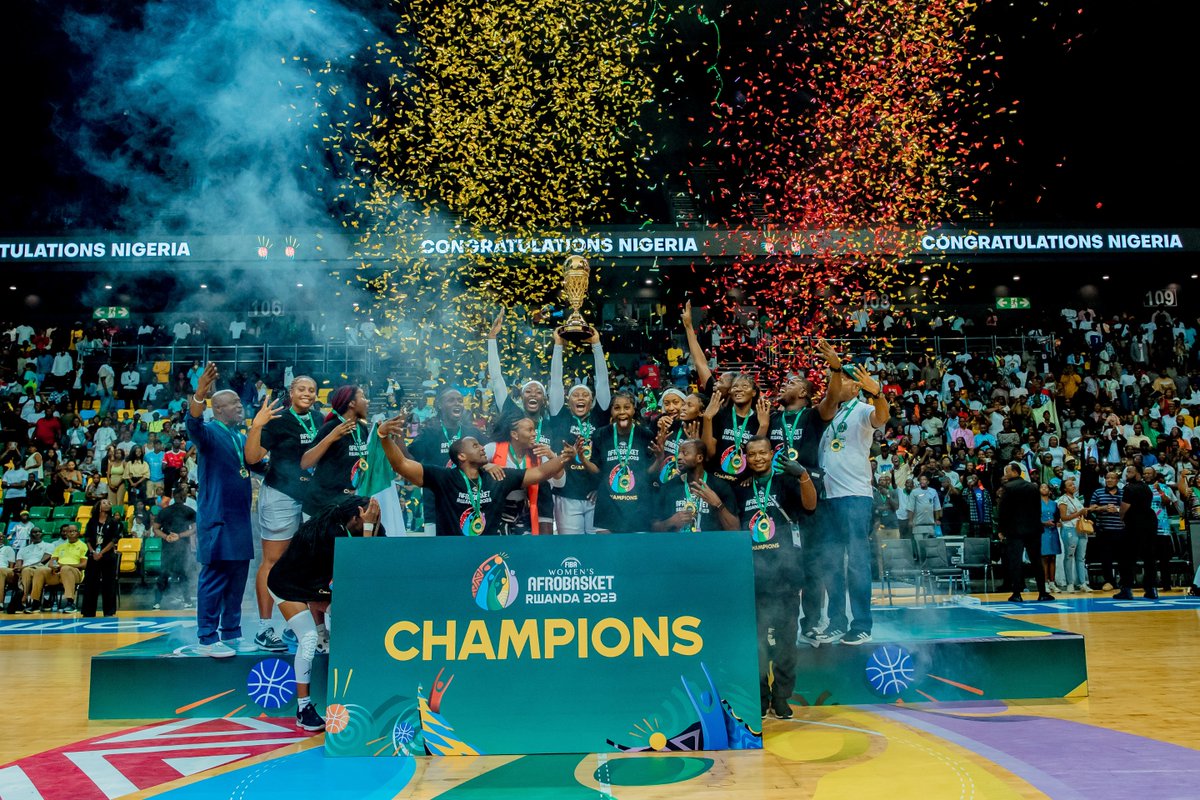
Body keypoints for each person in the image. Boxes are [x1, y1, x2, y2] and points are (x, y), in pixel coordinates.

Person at [268, 495, 381, 732]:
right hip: (287, 586)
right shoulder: (330, 534)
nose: (375, 520)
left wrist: (373, 525)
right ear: (356, 517)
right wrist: (369, 527)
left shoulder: (361, 528)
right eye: (370, 517)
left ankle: (363, 692)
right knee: (308, 638)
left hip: (314, 585)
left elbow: (376, 558)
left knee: (354, 619)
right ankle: (303, 709)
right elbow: (360, 568)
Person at [375, 417, 574, 536]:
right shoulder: (443, 478)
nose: (482, 448)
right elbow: (401, 464)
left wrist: (565, 456)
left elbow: (539, 472)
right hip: (454, 554)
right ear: (461, 456)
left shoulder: (498, 476)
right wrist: (383, 437)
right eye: (475, 445)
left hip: (488, 555)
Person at [735, 436, 817, 717]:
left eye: (762, 453)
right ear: (746, 458)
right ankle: (760, 697)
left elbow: (810, 506)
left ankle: (781, 697)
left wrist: (803, 475)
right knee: (756, 645)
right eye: (752, 454)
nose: (758, 458)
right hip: (754, 578)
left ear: (772, 453)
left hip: (786, 577)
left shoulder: (785, 482)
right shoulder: (741, 488)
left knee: (785, 645)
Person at [244, 375, 321, 651]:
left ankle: (295, 626)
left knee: (304, 562)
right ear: (291, 392)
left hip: (311, 499)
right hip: (281, 494)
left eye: (312, 390)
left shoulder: (320, 419)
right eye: (301, 389)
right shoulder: (277, 419)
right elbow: (252, 458)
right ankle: (264, 628)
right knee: (273, 560)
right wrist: (257, 426)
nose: (307, 393)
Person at [815, 360, 889, 645]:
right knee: (830, 563)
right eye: (829, 379)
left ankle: (862, 625)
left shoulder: (862, 410)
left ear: (856, 385)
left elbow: (881, 417)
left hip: (854, 496)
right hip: (826, 497)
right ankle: (836, 622)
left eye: (840, 380)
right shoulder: (826, 411)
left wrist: (877, 393)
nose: (832, 384)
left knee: (857, 562)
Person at [186, 363, 256, 658]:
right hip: (217, 518)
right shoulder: (209, 433)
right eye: (234, 403)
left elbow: (259, 465)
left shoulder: (241, 437)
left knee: (238, 579)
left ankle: (231, 633)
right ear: (218, 409)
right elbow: (193, 425)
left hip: (240, 520)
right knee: (214, 578)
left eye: (240, 402)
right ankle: (206, 638)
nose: (240, 406)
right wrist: (199, 394)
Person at [407, 388, 487, 535]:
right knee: (438, 548)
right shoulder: (430, 432)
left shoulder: (472, 433)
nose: (457, 403)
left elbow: (489, 455)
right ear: (439, 405)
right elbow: (410, 458)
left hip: (468, 506)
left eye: (460, 400)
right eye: (451, 400)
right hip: (436, 507)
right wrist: (398, 438)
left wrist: (490, 465)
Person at [581, 392, 658, 533]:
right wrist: (583, 459)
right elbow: (597, 470)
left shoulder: (645, 435)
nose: (622, 412)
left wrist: (660, 457)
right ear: (611, 411)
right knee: (606, 547)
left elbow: (649, 472)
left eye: (627, 407)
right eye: (617, 408)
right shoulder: (600, 434)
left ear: (634, 409)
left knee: (636, 547)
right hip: (608, 507)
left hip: (638, 508)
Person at [300, 385, 370, 520]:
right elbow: (305, 463)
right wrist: (332, 436)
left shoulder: (362, 428)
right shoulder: (331, 427)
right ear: (351, 403)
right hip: (321, 505)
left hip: (345, 503)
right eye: (363, 397)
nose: (367, 401)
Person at [653, 438, 739, 533]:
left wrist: (718, 504)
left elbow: (735, 529)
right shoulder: (669, 487)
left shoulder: (720, 486)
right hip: (678, 542)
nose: (679, 457)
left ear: (699, 458)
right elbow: (653, 529)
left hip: (711, 542)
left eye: (685, 453)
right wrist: (671, 522)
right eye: (679, 453)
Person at [996, 462, 1052, 602]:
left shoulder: (1008, 487)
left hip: (1015, 530)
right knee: (1036, 561)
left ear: (1015, 472)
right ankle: (1042, 593)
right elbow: (1038, 508)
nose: (1005, 474)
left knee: (1015, 562)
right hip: (1033, 529)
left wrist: (1001, 529)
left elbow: (1003, 511)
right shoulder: (1033, 487)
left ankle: (1017, 593)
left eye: (1007, 472)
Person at [1116, 466, 1161, 599]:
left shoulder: (1129, 488)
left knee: (1127, 557)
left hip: (1135, 523)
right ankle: (1151, 589)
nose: (1127, 474)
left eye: (1130, 472)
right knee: (1149, 557)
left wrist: (1121, 518)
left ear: (1138, 474)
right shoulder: (1147, 487)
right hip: (1150, 522)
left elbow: (1124, 507)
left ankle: (1126, 589)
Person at [152, 487, 197, 609]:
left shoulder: (164, 511)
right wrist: (179, 536)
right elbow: (194, 529)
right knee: (183, 574)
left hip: (170, 547)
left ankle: (157, 602)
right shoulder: (189, 510)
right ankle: (187, 601)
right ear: (184, 497)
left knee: (164, 573)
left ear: (173, 497)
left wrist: (166, 536)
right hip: (180, 547)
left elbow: (155, 528)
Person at [30, 522, 88, 612]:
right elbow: (52, 561)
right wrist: (54, 566)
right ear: (66, 533)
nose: (72, 533)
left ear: (78, 533)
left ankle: (70, 603)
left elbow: (84, 565)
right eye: (70, 531)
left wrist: (65, 566)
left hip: (75, 573)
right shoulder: (60, 547)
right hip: (58, 573)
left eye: (74, 531)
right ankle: (35, 603)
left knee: (66, 569)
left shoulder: (83, 546)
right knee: (40, 570)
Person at [80, 499, 123, 617]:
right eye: (104, 503)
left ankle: (109, 611)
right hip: (93, 555)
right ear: (99, 506)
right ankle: (88, 611)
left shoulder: (113, 522)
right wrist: (93, 551)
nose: (107, 504)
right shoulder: (92, 521)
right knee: (90, 583)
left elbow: (114, 540)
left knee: (108, 584)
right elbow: (87, 538)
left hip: (107, 556)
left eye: (109, 503)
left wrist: (101, 553)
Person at [1089, 471, 1124, 590]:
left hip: (1120, 530)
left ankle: (1123, 581)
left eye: (1112, 478)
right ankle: (1109, 581)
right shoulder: (1098, 492)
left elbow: (1130, 509)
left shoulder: (1123, 493)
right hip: (1103, 530)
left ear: (1117, 480)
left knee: (1122, 558)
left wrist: (1117, 510)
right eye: (1107, 478)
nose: (1109, 480)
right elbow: (1091, 508)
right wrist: (1103, 508)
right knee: (1105, 558)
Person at [1056, 478, 1092, 593]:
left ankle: (1082, 583)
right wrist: (1079, 513)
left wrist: (1086, 511)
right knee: (1069, 556)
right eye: (1070, 485)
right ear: (1064, 489)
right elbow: (1063, 517)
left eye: (1073, 484)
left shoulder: (1077, 499)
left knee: (1081, 557)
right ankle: (1069, 583)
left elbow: (1080, 513)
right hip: (1069, 528)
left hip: (1080, 528)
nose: (1073, 486)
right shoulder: (1063, 500)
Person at [15, 527, 54, 612]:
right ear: (30, 535)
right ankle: (36, 601)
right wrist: (18, 568)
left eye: (39, 532)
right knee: (24, 571)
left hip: (41, 569)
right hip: (24, 571)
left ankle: (23, 598)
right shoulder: (23, 549)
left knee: (26, 570)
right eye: (35, 532)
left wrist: (25, 567)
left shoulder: (49, 546)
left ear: (42, 534)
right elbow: (18, 564)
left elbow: (43, 561)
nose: (37, 534)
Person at [1039, 483, 1062, 592]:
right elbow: (1033, 518)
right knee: (1044, 557)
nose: (1044, 489)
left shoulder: (1054, 504)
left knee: (1053, 557)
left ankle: (1052, 582)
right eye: (1042, 487)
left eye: (1046, 487)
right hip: (1042, 531)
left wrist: (1057, 522)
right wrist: (1044, 523)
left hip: (1053, 531)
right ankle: (1044, 583)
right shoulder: (1036, 503)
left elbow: (1057, 516)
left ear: (1049, 490)